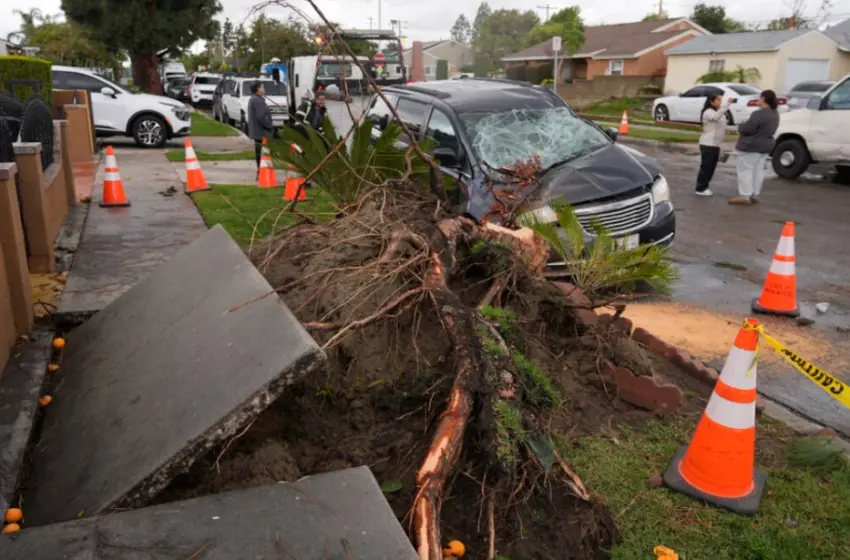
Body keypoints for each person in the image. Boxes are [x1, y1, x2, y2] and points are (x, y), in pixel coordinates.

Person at [732, 90, 780, 205]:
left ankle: (744, 196)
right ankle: (754, 193)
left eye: (759, 98)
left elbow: (747, 129)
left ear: (763, 99)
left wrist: (741, 126)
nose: (758, 100)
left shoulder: (758, 114)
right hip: (766, 145)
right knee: (758, 171)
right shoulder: (775, 113)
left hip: (751, 146)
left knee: (745, 170)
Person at [695, 92, 729, 196]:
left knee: (712, 167)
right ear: (711, 101)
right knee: (706, 166)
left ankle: (705, 186)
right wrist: (727, 105)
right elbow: (715, 117)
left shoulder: (719, 112)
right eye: (718, 100)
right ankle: (700, 188)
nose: (720, 102)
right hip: (708, 143)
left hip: (716, 144)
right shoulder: (708, 112)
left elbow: (723, 123)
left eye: (721, 100)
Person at [247, 81, 274, 178]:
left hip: (258, 132)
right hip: (261, 132)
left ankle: (261, 172)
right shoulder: (257, 100)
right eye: (262, 87)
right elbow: (261, 116)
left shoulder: (255, 99)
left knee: (260, 153)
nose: (264, 89)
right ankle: (262, 173)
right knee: (262, 154)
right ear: (258, 89)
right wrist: (269, 125)